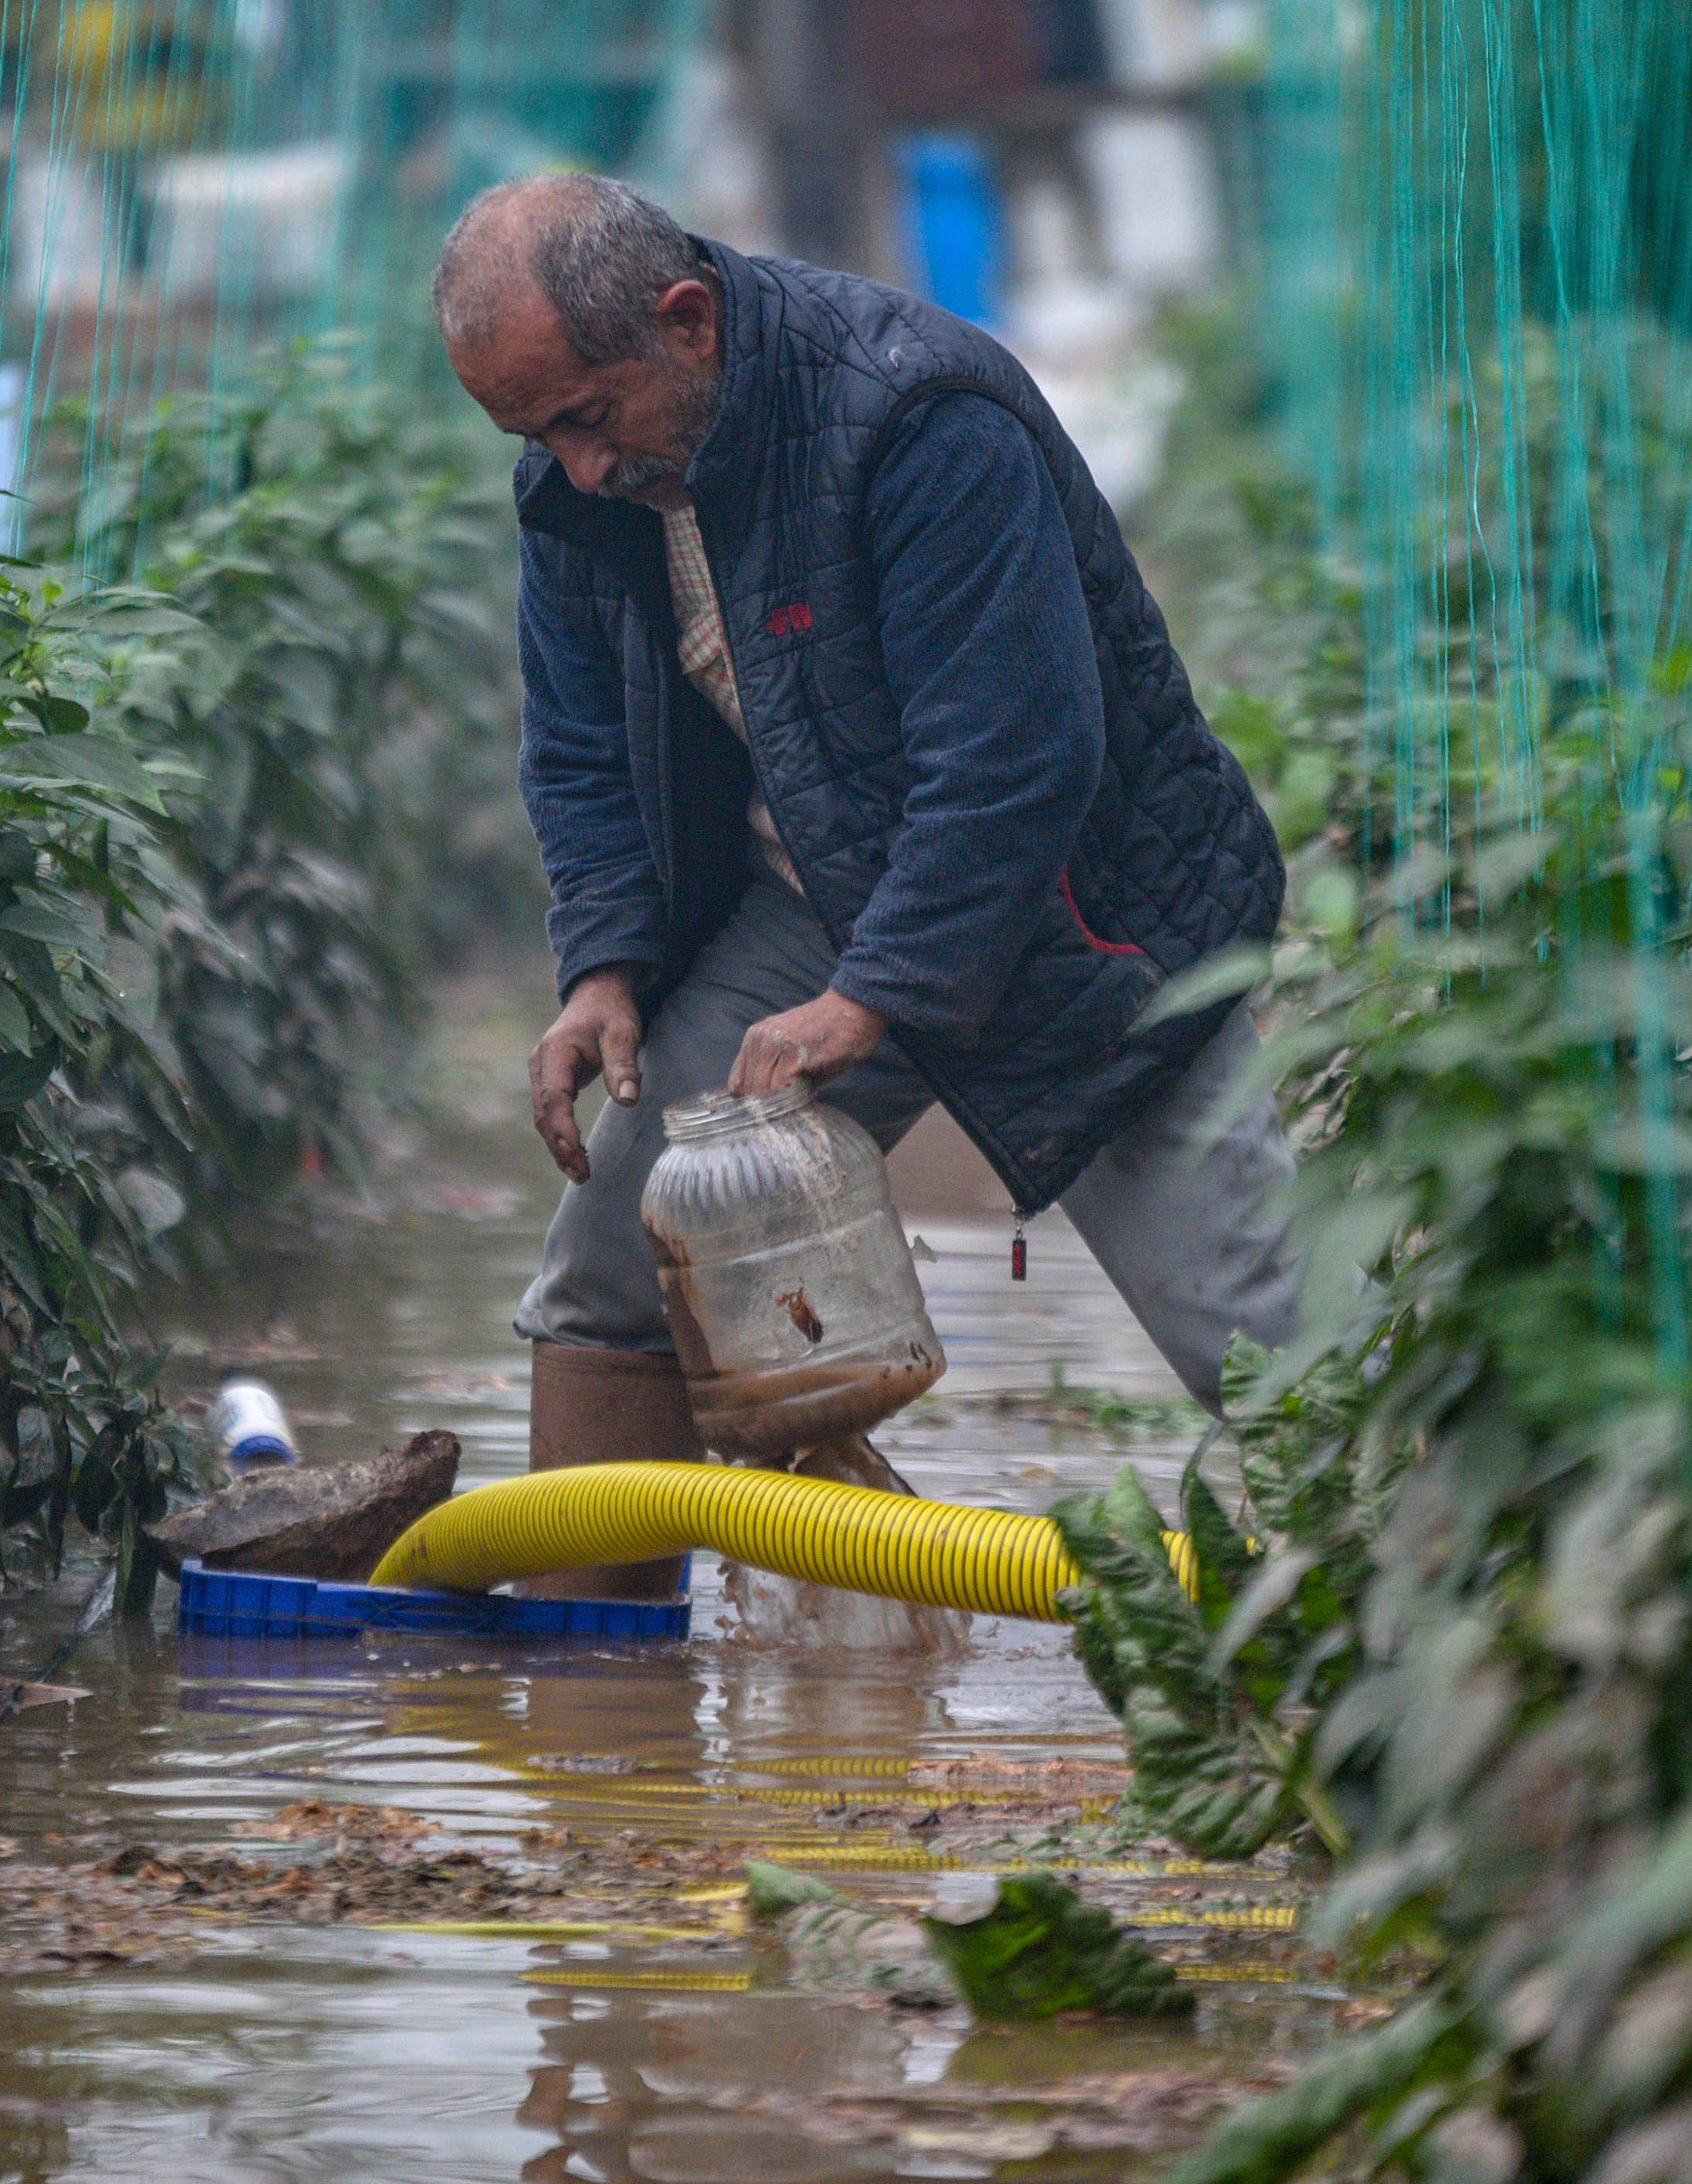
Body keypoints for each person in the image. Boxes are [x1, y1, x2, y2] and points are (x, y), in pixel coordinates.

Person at [436, 173, 1304, 1596]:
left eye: (584, 418)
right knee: (617, 1256)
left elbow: (1019, 763)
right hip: (816, 906)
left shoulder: (912, 420)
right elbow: (582, 754)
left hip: (1086, 928)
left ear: (687, 322)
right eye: (530, 435)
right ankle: (598, 1728)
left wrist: (875, 997)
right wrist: (602, 969)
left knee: (1268, 1342)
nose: (570, 466)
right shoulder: (579, 490)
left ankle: (1506, 1642)